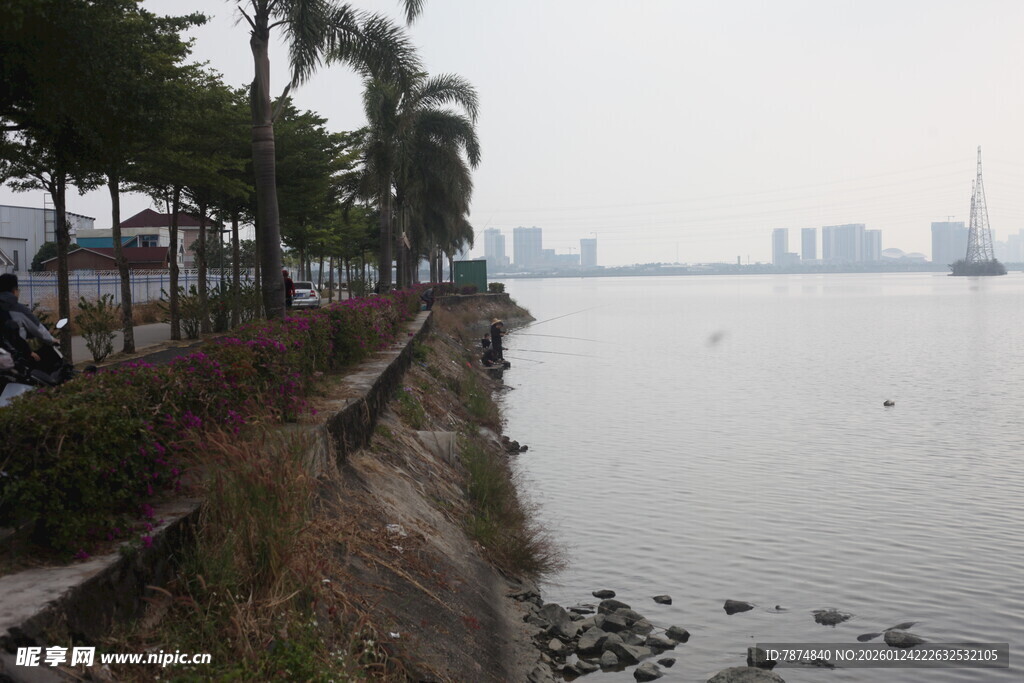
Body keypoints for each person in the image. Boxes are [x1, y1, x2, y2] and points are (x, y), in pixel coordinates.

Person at [0, 273, 55, 366]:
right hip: (12, 357)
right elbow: (38, 329)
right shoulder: (17, 308)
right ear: (14, 290)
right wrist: (51, 339)